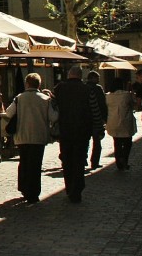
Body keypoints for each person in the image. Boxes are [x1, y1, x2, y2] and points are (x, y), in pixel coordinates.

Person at [4, 73, 54, 204]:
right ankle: (34, 192)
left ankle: (24, 188)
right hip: (39, 136)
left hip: (22, 136)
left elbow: (9, 113)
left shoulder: (19, 98)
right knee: (36, 165)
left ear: (27, 84)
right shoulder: (45, 99)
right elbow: (53, 117)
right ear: (39, 84)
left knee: (24, 162)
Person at [53, 66, 92, 203]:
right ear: (81, 76)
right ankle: (77, 189)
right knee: (79, 161)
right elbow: (93, 110)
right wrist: (97, 129)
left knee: (67, 160)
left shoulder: (59, 88)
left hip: (65, 130)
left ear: (69, 74)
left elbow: (53, 107)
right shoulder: (87, 89)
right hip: (82, 131)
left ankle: (69, 187)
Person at [104, 77, 137, 170]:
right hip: (125, 122)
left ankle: (119, 162)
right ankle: (125, 159)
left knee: (117, 143)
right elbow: (133, 104)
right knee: (127, 143)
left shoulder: (108, 96)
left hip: (113, 122)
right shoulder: (127, 95)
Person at [85, 71, 108, 169]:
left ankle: (83, 160)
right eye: (97, 78)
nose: (98, 80)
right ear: (93, 78)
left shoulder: (84, 88)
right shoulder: (98, 88)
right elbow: (103, 104)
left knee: (85, 142)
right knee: (97, 142)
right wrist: (104, 118)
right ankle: (94, 162)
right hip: (96, 118)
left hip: (85, 119)